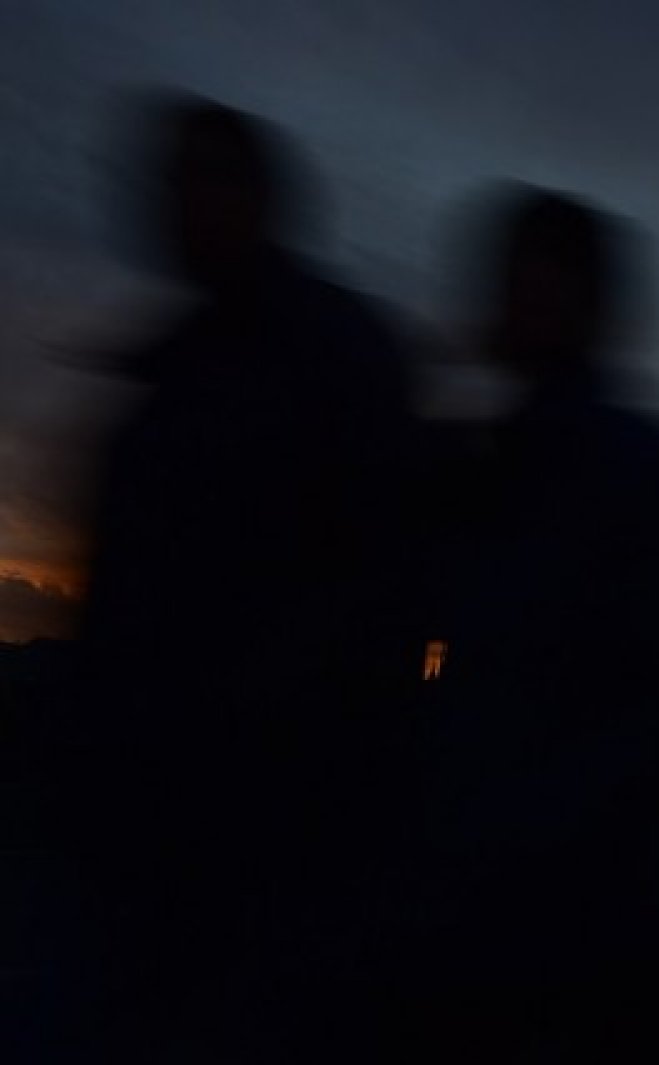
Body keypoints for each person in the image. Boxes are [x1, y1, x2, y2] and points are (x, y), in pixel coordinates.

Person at [48, 95, 418, 1062]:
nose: (178, 201)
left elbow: (384, 590)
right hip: (164, 838)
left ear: (256, 197)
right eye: (171, 179)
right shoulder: (168, 378)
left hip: (278, 840)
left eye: (202, 178)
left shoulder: (330, 356)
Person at [413, 187, 659, 1062]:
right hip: (522, 899)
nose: (520, 303)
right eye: (513, 282)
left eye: (542, 284)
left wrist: (517, 827)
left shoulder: (627, 466)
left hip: (585, 917)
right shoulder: (483, 462)